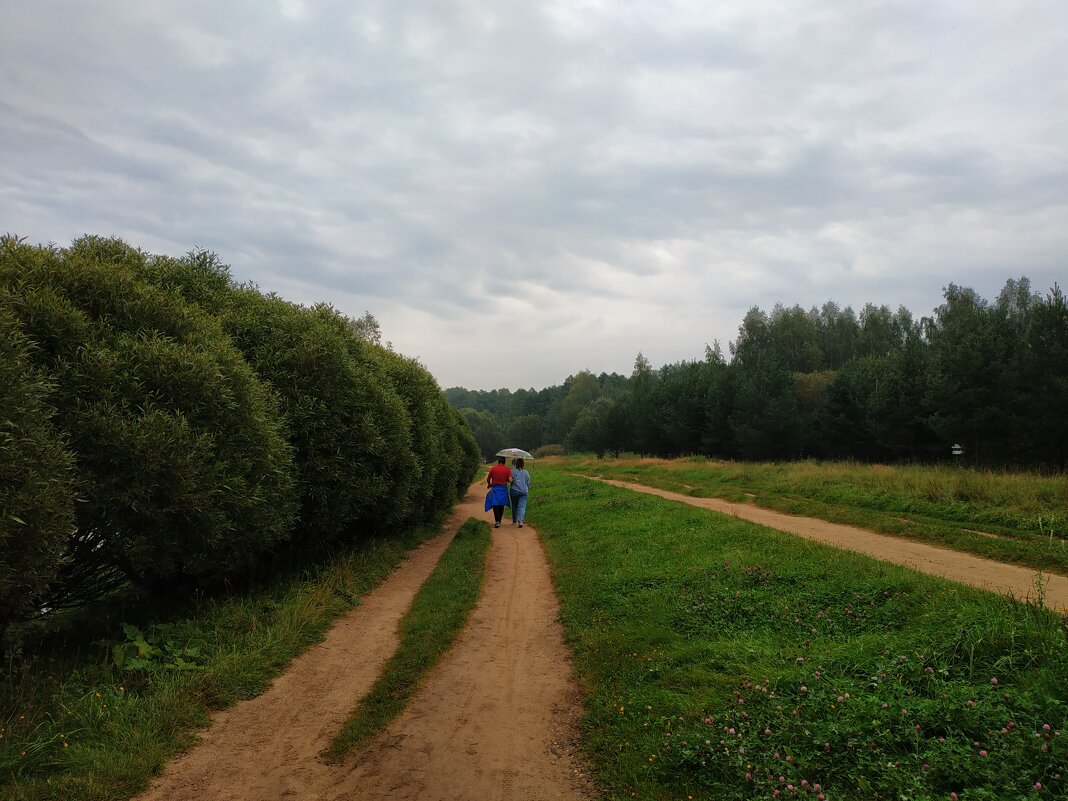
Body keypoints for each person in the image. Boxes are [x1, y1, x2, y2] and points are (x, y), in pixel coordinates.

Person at [484, 456, 511, 528]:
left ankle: (497, 521)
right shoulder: (507, 469)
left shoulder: (493, 469)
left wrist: (489, 484)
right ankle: (499, 519)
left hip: (495, 489)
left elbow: (488, 478)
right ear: (504, 462)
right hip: (503, 489)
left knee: (495, 504)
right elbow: (509, 479)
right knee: (501, 504)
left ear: (498, 461)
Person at [509, 458, 531, 527]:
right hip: (524, 492)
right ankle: (521, 521)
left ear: (516, 464)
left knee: (514, 506)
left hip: (514, 491)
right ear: (523, 464)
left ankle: (514, 521)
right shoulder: (526, 472)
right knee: (522, 506)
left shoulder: (512, 471)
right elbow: (528, 483)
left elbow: (510, 480)